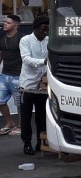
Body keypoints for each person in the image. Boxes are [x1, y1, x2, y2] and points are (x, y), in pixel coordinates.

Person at [19, 15, 49, 155]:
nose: (45, 33)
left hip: (42, 86)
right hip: (27, 85)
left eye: (47, 30)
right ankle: (27, 143)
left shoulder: (48, 40)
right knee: (26, 117)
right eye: (43, 30)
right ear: (36, 29)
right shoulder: (25, 40)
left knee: (42, 116)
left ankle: (40, 142)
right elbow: (26, 59)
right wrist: (43, 61)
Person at [0, 15, 24, 135]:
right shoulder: (2, 38)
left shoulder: (22, 39)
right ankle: (10, 123)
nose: (5, 24)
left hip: (18, 76)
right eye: (5, 22)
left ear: (16, 26)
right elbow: (0, 55)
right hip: (4, 75)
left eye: (8, 23)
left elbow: (26, 57)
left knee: (20, 104)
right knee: (0, 100)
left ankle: (20, 127)